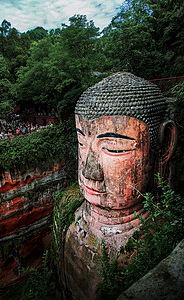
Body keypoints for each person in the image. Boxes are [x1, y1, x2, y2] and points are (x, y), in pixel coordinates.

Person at [64, 72, 177, 299]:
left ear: (164, 147)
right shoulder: (73, 216)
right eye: (81, 144)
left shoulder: (157, 242)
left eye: (114, 149)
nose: (89, 171)